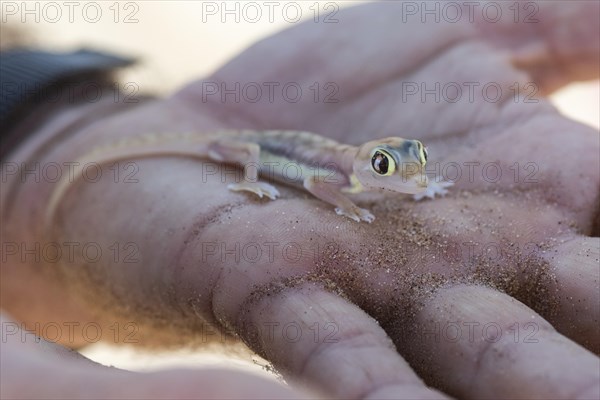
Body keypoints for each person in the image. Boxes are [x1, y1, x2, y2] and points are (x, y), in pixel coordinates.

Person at [1, 2, 599, 398]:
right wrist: (312, 196)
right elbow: (315, 184)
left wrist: (40, 139)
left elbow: (404, 179)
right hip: (247, 148)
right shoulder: (337, 176)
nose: (404, 176)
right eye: (389, 167)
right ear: (369, 163)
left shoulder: (379, 173)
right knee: (261, 164)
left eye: (409, 167)